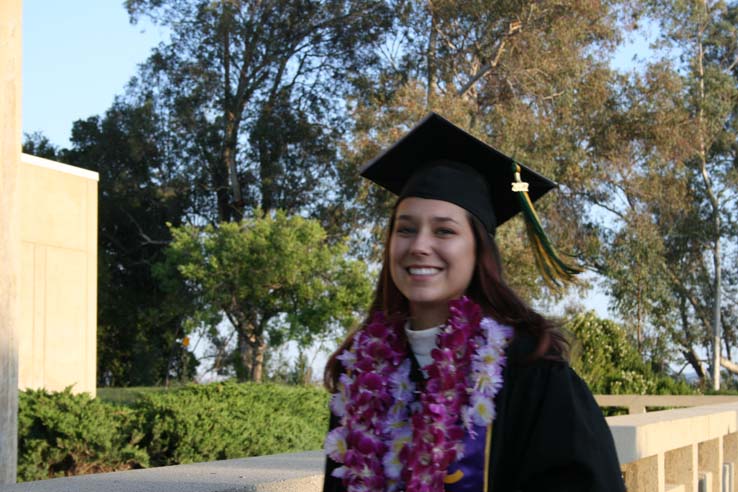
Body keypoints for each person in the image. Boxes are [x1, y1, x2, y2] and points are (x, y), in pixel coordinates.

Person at [322, 113, 625, 492]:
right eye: (406, 229)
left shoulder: (531, 369)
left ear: (478, 249)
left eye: (444, 230)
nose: (419, 246)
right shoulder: (362, 372)